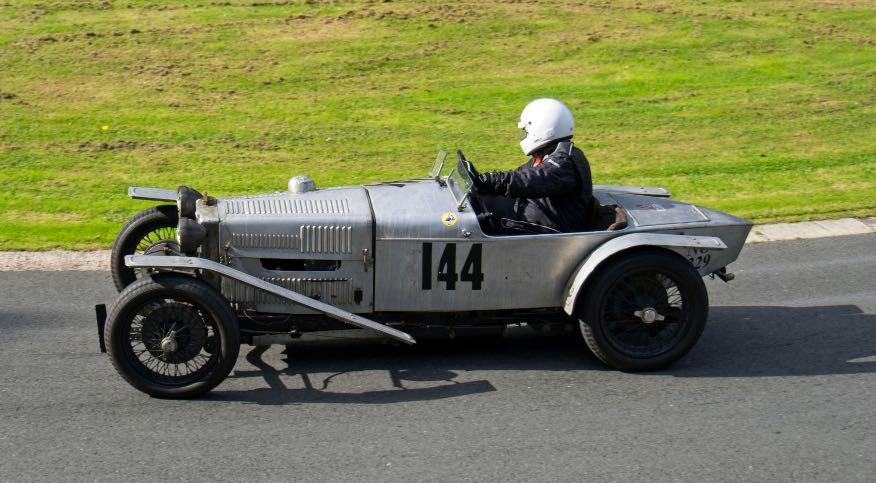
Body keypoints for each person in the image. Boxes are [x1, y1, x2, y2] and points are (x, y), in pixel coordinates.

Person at [463, 98, 593, 233]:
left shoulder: (564, 162)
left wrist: (491, 180)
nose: (524, 135)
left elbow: (530, 179)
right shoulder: (548, 154)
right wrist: (487, 182)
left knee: (480, 222)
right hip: (541, 221)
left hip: (552, 232)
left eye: (526, 131)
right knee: (484, 201)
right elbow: (519, 174)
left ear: (543, 128)